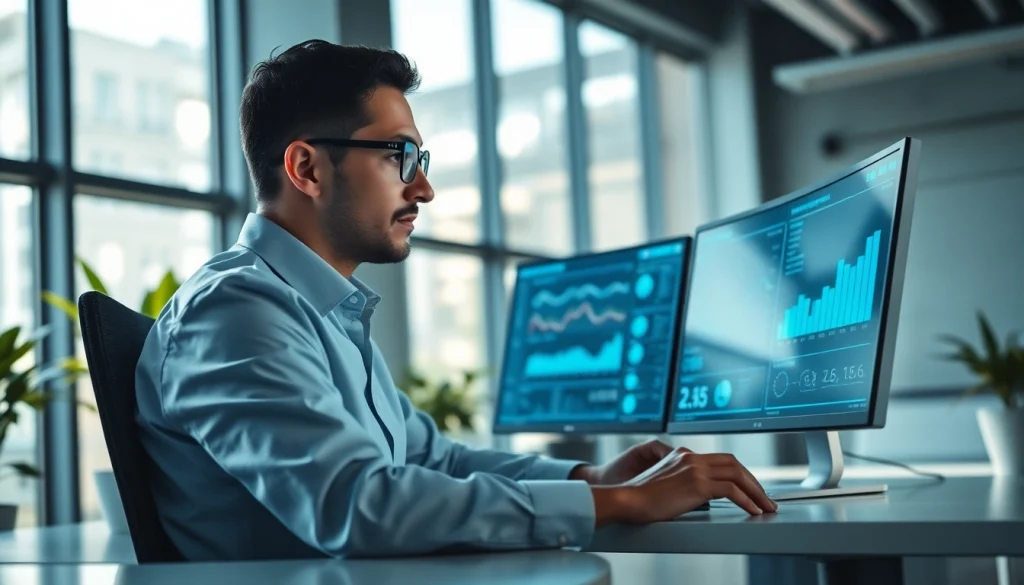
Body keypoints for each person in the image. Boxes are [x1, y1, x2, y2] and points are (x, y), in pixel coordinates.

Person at [134, 39, 776, 562]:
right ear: (306, 169)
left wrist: (590, 480)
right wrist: (619, 506)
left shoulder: (319, 310)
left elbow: (430, 458)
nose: (426, 188)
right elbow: (356, 505)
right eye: (401, 156)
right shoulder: (237, 311)